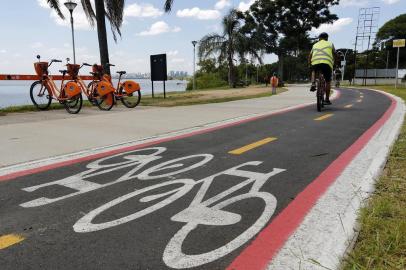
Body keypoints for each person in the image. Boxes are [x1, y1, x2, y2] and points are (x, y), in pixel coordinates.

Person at [309, 32, 336, 105]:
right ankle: (327, 99)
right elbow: (334, 54)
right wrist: (334, 62)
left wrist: (309, 64)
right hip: (327, 64)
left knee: (313, 71)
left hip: (315, 63)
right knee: (327, 82)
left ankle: (313, 83)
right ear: (327, 38)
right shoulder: (330, 44)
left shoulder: (314, 45)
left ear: (319, 38)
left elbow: (310, 56)